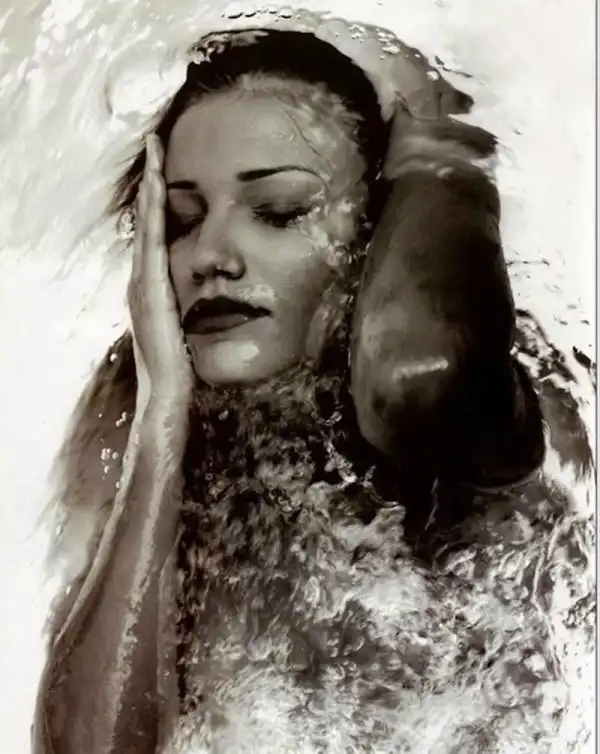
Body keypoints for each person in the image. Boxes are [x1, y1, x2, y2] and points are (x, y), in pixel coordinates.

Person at [33, 25, 593, 754]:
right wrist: (161, 414)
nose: (210, 256)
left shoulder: (493, 379)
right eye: (182, 220)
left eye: (280, 210)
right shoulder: (136, 394)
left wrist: (439, 149)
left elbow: (418, 382)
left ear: (373, 240)